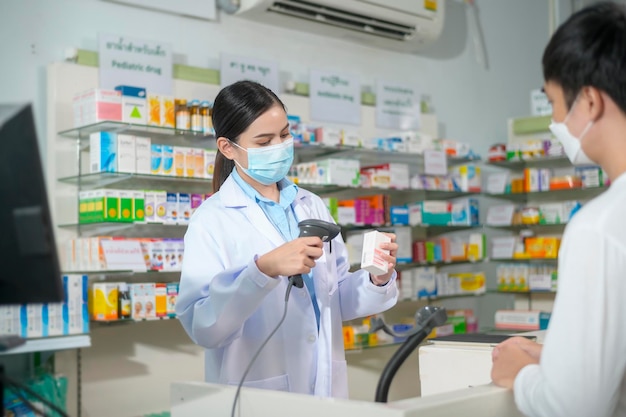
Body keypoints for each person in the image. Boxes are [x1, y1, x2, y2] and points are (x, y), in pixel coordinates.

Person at [176, 80, 399, 398]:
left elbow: (331, 298)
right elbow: (203, 327)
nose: (279, 147)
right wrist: (262, 271)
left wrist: (378, 278)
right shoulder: (211, 221)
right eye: (264, 141)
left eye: (284, 135)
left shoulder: (311, 204)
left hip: (324, 388)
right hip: (258, 393)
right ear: (227, 147)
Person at [491, 3, 626, 417]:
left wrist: (523, 373)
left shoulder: (599, 227)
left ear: (588, 101)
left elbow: (575, 408)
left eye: (552, 101)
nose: (554, 119)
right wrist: (561, 360)